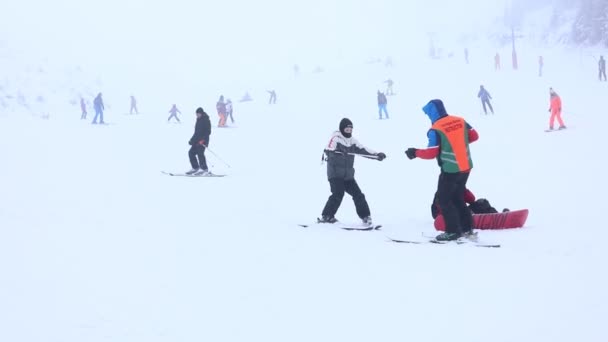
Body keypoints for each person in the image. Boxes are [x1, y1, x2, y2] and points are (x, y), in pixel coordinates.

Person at [405, 99, 479, 241]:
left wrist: (415, 152)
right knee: (458, 198)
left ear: (432, 112)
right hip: (466, 167)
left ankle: (452, 231)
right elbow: (474, 136)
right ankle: (467, 229)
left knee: (444, 200)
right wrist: (458, 143)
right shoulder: (460, 120)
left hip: (450, 169)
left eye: (428, 114)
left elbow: (431, 153)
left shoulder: (436, 129)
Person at [319, 118, 386, 226]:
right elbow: (328, 149)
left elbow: (364, 150)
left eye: (350, 128)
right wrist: (337, 152)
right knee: (338, 193)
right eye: (347, 128)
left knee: (358, 194)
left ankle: (365, 216)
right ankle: (327, 216)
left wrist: (377, 155)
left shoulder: (353, 141)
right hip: (335, 174)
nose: (349, 130)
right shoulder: (335, 138)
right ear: (342, 128)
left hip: (348, 176)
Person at [186, 107, 212, 175]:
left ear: (201, 113)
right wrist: (192, 140)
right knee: (191, 153)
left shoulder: (206, 120)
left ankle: (204, 169)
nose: (197, 115)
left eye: (198, 114)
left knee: (200, 153)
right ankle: (195, 167)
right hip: (196, 141)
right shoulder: (198, 120)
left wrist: (203, 140)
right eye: (196, 114)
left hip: (203, 141)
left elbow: (208, 132)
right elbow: (196, 132)